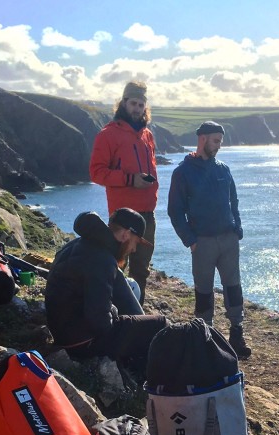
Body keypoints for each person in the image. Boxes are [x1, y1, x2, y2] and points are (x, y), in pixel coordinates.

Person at [167, 121, 251, 359]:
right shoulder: (182, 172)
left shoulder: (223, 169)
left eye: (220, 142)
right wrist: (190, 240)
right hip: (202, 242)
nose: (219, 146)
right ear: (202, 139)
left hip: (228, 239)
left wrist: (238, 229)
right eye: (215, 141)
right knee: (203, 291)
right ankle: (206, 337)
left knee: (233, 286)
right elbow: (175, 211)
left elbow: (233, 201)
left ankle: (236, 332)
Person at [45, 209, 168, 365]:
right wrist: (116, 314)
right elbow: (99, 322)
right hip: (81, 343)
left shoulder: (79, 244)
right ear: (126, 235)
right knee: (159, 324)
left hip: (65, 330)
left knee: (123, 286)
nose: (134, 249)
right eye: (135, 242)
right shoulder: (102, 260)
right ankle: (151, 377)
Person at [89, 81, 159, 302]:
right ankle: (110, 312)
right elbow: (96, 173)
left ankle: (136, 312)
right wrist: (130, 180)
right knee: (115, 264)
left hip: (147, 214)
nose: (137, 108)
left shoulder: (147, 135)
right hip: (123, 216)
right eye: (133, 103)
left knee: (141, 269)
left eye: (141, 104)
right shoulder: (108, 134)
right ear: (123, 103)